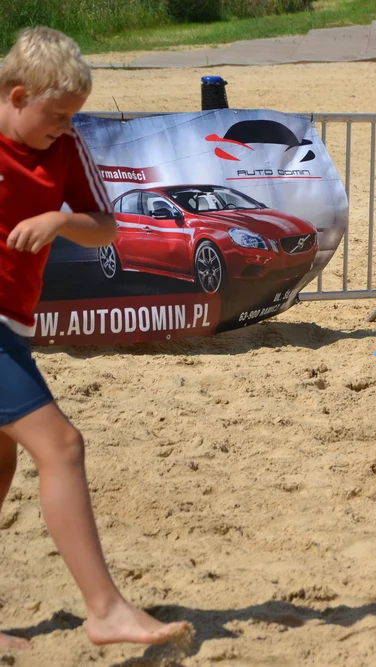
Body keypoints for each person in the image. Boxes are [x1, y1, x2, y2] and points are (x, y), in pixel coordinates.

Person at [0, 27, 192, 649]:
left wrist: (61, 220)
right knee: (61, 446)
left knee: (0, 467)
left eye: (72, 116)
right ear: (17, 93)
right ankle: (105, 610)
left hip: (13, 324)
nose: (64, 127)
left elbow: (106, 228)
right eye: (55, 115)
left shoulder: (65, 146)